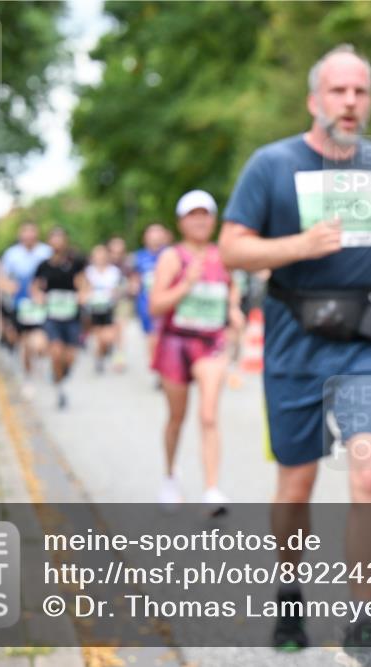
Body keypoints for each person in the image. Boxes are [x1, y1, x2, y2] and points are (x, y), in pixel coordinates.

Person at [219, 44, 371, 664]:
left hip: (364, 344)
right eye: (338, 91)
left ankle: (362, 623)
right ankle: (290, 593)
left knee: (370, 473)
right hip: (294, 344)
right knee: (295, 485)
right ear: (314, 100)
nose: (350, 102)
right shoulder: (272, 164)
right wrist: (298, 245)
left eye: (360, 91)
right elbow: (232, 248)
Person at [149, 191, 242, 513]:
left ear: (214, 220)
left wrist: (234, 311)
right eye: (193, 214)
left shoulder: (222, 256)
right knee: (177, 418)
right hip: (175, 343)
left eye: (206, 214)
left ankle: (212, 489)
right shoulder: (172, 257)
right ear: (181, 222)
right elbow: (155, 305)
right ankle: (170, 476)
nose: (200, 220)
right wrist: (185, 285)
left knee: (208, 416)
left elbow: (231, 293)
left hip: (210, 345)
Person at [32, 227, 86, 410]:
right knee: (56, 351)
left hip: (71, 316)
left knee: (70, 357)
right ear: (48, 242)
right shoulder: (44, 266)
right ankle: (60, 389)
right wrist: (39, 297)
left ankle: (61, 374)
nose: (57, 242)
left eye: (60, 238)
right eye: (53, 238)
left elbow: (84, 285)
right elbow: (35, 287)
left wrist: (82, 296)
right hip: (52, 316)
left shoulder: (75, 263)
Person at [0, 223, 53, 392]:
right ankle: (28, 377)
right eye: (25, 233)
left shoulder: (46, 252)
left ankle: (42, 363)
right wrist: (9, 287)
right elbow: (1, 279)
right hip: (20, 306)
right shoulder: (11, 254)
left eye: (31, 232)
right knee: (25, 343)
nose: (28, 236)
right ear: (20, 235)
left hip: (42, 306)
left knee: (42, 343)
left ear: (37, 234)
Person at [129, 223, 170, 371]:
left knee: (166, 337)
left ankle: (165, 366)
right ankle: (157, 367)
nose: (155, 237)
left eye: (158, 233)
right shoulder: (139, 257)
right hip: (146, 303)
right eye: (152, 234)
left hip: (168, 303)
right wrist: (133, 286)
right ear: (145, 238)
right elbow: (134, 278)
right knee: (152, 336)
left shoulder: (171, 254)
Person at [84, 244, 124, 374]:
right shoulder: (88, 271)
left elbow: (119, 288)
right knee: (99, 338)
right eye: (97, 255)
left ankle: (111, 355)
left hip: (109, 308)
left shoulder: (114, 271)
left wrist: (115, 294)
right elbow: (83, 288)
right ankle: (99, 357)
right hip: (93, 309)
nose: (100, 257)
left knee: (110, 336)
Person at [107, 235, 131, 372]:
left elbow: (133, 281)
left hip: (122, 300)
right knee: (110, 330)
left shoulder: (128, 264)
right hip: (106, 301)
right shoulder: (105, 262)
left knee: (120, 327)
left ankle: (119, 355)